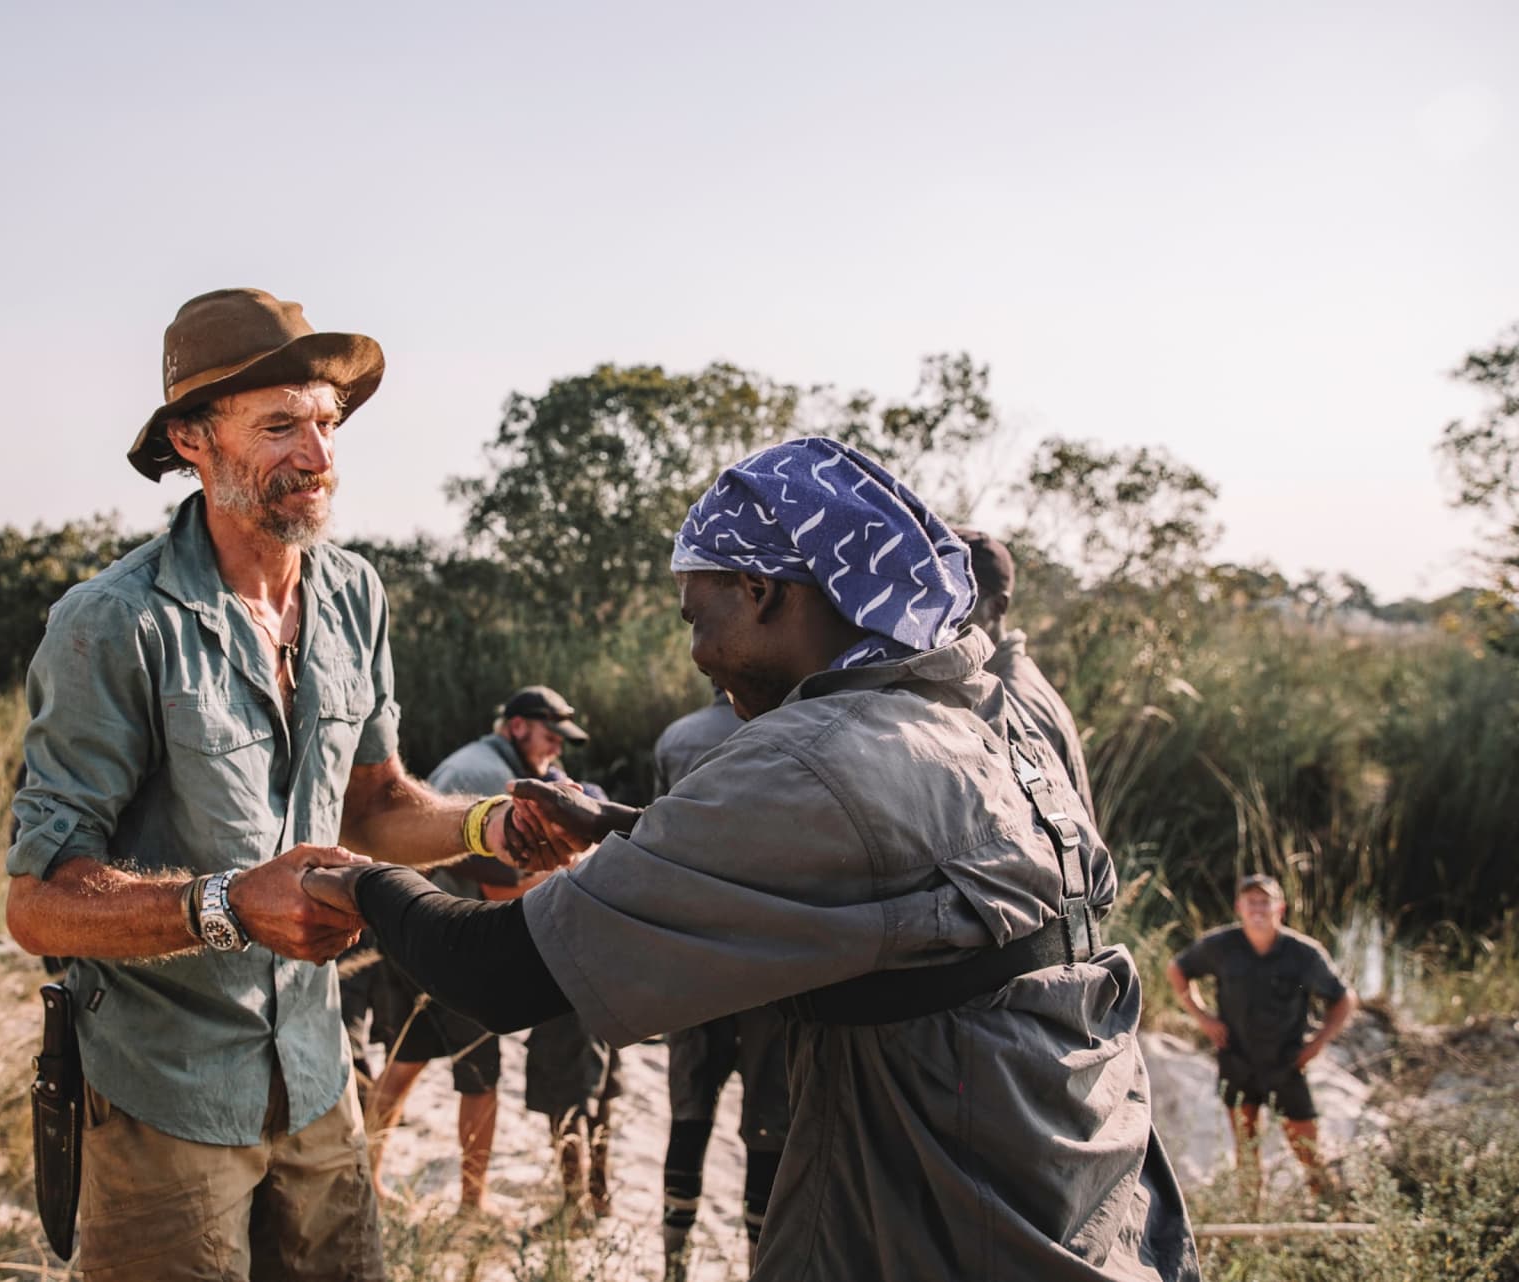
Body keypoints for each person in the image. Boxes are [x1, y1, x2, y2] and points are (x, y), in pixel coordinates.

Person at [304, 437, 1200, 1280]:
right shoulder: (982, 718)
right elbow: (883, 872)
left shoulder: (809, 753)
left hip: (932, 1228)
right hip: (1093, 1211)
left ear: (764, 590)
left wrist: (355, 878)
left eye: (699, 614)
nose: (699, 656)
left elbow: (498, 975)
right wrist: (631, 828)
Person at [3, 287, 559, 1281]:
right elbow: (40, 902)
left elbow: (377, 807)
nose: (318, 455)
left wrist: (495, 822)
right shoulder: (111, 624)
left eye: (326, 422)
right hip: (163, 1094)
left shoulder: (353, 594)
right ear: (192, 440)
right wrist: (226, 906)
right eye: (278, 425)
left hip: (316, 1076)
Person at [362, 686, 590, 1215]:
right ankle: (471, 1206)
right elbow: (499, 888)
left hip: (404, 927)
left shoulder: (478, 760)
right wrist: (574, 879)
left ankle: (365, 1180)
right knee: (481, 1075)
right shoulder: (489, 776)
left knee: (405, 1062)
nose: (555, 751)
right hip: (448, 943)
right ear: (516, 727)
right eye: (549, 738)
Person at [651, 689, 788, 1280]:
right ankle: (758, 1263)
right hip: (767, 968)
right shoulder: (787, 736)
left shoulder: (675, 738)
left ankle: (673, 1266)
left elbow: (654, 840)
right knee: (766, 1124)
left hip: (690, 963)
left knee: (690, 1112)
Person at [1167, 873, 1358, 1214]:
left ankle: (1331, 1214)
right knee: (1247, 1147)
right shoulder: (1221, 946)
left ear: (1280, 908)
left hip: (1286, 1064)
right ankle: (1252, 1221)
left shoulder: (1303, 953)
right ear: (1239, 906)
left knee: (1307, 1150)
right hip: (1238, 1062)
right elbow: (1177, 970)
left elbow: (1343, 999)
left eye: (1265, 901)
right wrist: (1203, 1017)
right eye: (1251, 901)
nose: (1258, 908)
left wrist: (1316, 1045)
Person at [958, 528, 1095, 816]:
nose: (940, 613)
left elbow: (1029, 832)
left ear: (997, 607)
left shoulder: (1009, 699)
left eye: (960, 598)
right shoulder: (992, 680)